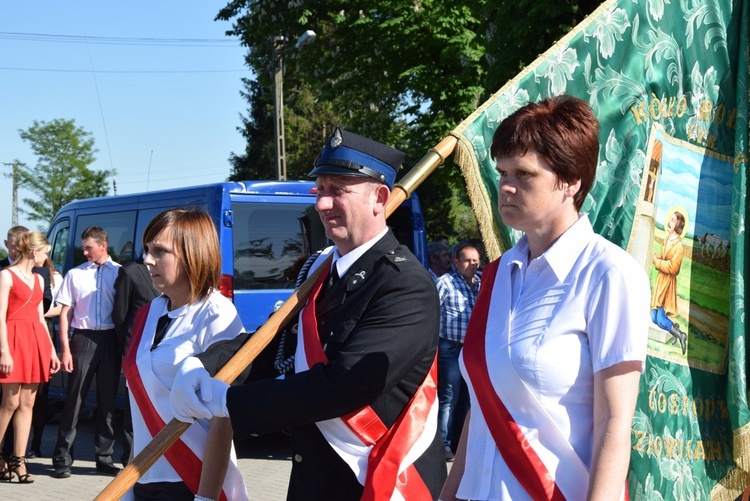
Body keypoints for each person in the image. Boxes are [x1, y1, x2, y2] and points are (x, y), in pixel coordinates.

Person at [169, 127, 446, 499]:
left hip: (380, 481)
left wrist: (228, 402)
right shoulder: (322, 270)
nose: (321, 204)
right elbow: (275, 342)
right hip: (315, 481)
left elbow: (344, 384)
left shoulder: (404, 284)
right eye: (321, 189)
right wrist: (203, 364)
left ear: (380, 198)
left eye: (338, 191)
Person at [440, 96, 650, 501]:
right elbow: (483, 408)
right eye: (502, 171)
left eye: (524, 174)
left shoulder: (608, 273)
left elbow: (614, 422)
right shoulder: (497, 274)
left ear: (571, 181)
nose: (506, 186)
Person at [121, 208, 247, 500]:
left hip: (192, 479)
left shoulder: (216, 313)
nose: (146, 259)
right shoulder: (148, 314)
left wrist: (205, 496)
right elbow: (143, 407)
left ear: (192, 254)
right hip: (144, 476)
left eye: (159, 251)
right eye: (147, 249)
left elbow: (223, 419)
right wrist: (127, 484)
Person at [52, 226, 122, 479]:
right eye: (83, 247)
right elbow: (65, 313)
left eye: (89, 247)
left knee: (107, 400)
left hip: (110, 339)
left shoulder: (120, 273)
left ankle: (104, 457)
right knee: (74, 399)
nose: (84, 252)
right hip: (82, 338)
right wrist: (65, 349)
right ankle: (62, 457)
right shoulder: (75, 274)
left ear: (103, 245)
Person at [0, 231, 60, 483]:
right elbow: (0, 316)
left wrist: (52, 351)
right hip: (13, 340)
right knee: (10, 403)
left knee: (28, 404)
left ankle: (19, 461)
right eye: (45, 252)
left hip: (35, 340)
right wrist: (4, 350)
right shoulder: (6, 276)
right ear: (34, 251)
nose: (47, 257)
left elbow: (39, 317)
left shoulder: (38, 279)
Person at [113, 254, 160, 466]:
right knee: (134, 407)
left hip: (162, 349)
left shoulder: (174, 270)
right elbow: (120, 316)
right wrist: (127, 350)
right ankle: (129, 460)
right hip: (136, 349)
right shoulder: (130, 271)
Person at [435, 241, 480, 461]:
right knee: (449, 397)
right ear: (456, 262)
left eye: (476, 261)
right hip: (450, 349)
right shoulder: (445, 282)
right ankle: (442, 445)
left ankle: (462, 445)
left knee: (469, 399)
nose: (473, 265)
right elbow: (431, 311)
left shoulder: (481, 284)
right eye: (468, 260)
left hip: (472, 351)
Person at [650, 209, 688, 354]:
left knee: (660, 318)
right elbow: (661, 256)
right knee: (654, 318)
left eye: (673, 220)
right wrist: (657, 258)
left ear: (678, 226)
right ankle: (675, 329)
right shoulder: (667, 240)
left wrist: (658, 262)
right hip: (660, 281)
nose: (669, 222)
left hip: (667, 285)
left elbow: (673, 268)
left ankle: (681, 335)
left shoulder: (678, 247)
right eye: (670, 219)